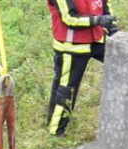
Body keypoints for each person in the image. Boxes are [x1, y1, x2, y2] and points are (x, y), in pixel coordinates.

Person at [47, 0, 117, 136]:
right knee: (67, 90)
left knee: (125, 63)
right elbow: (69, 19)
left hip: (97, 40)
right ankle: (56, 131)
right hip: (71, 46)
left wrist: (112, 27)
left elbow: (104, 5)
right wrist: (98, 20)